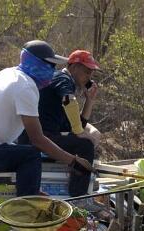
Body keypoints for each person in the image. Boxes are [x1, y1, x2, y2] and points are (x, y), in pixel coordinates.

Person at [0, 41, 92, 196]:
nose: (52, 72)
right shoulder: (25, 86)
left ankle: (30, 196)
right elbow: (38, 140)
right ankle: (27, 208)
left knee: (21, 152)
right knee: (31, 155)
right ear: (36, 64)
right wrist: (74, 162)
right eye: (50, 66)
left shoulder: (7, 74)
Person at [22, 49, 102, 196]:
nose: (90, 77)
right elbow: (68, 101)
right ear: (74, 67)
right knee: (86, 145)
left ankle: (77, 191)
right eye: (87, 72)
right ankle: (79, 197)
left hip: (45, 135)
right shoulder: (63, 78)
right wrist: (80, 132)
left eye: (92, 73)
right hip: (37, 137)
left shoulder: (63, 88)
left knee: (81, 141)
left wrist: (89, 101)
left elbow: (76, 127)